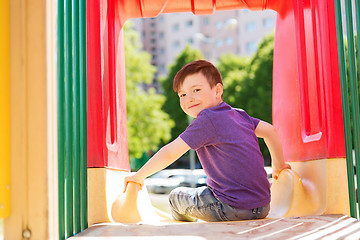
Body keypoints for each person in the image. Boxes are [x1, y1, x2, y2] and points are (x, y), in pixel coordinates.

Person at [124, 60, 291, 222]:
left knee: (176, 197)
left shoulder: (207, 119)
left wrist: (139, 176)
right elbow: (270, 131)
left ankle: (188, 230)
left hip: (229, 206)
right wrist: (279, 165)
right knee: (203, 192)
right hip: (262, 207)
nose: (189, 98)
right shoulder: (239, 115)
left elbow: (170, 152)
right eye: (182, 94)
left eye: (196, 90)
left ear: (217, 90)